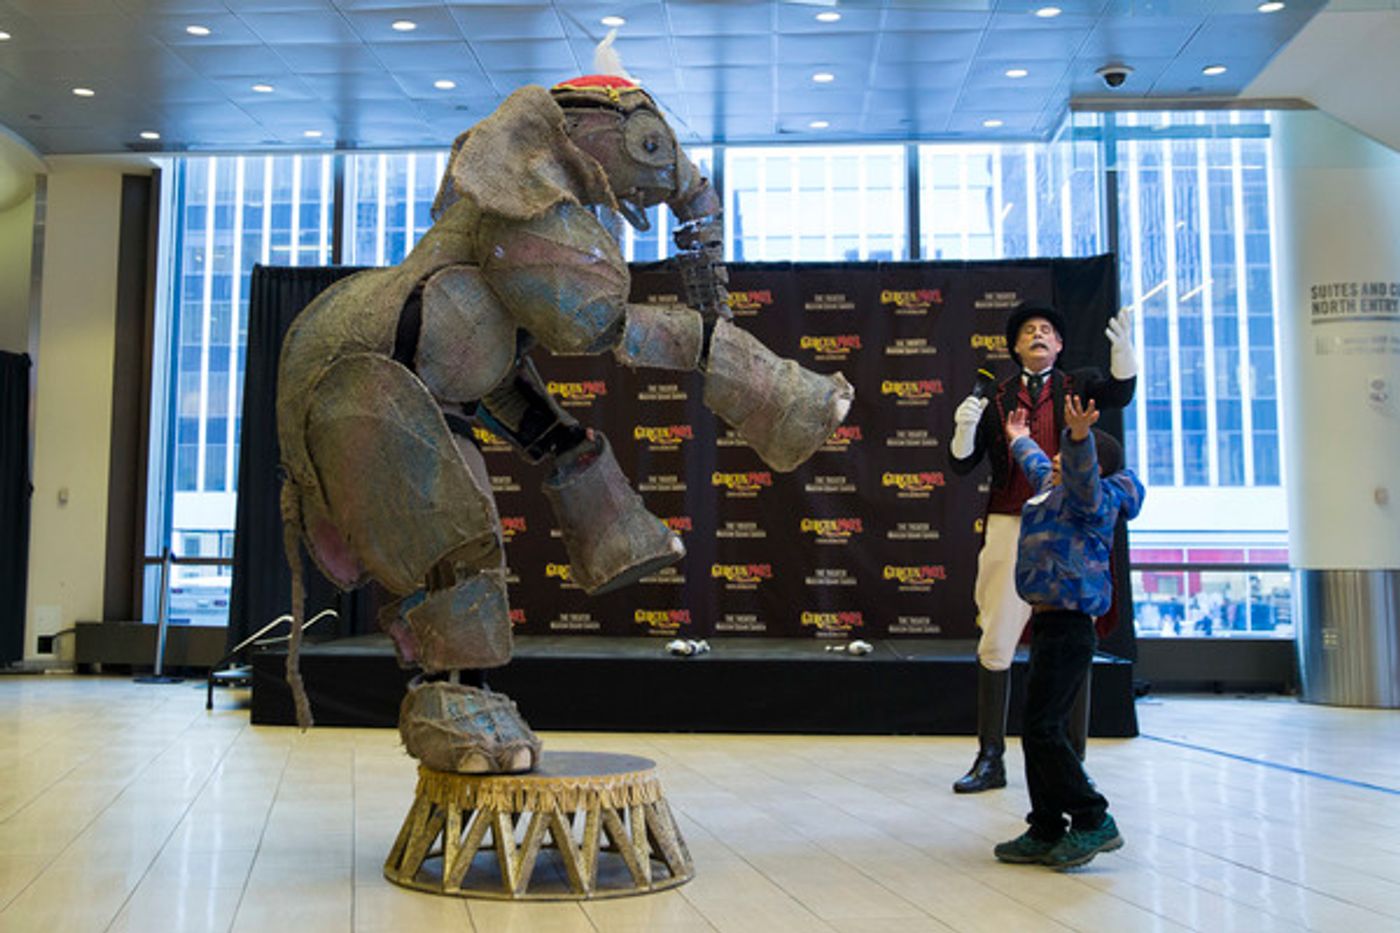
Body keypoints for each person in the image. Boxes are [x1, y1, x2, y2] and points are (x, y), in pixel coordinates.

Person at [948, 303, 1136, 793]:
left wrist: (1126, 355)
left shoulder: (1082, 385)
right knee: (996, 637)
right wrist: (963, 429)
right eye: (1028, 331)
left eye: (1047, 330)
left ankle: (1073, 760)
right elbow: (962, 466)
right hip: (1013, 522)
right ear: (1014, 347)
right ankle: (991, 758)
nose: (1038, 335)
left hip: (1070, 524)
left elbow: (1122, 392)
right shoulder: (996, 396)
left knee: (1073, 642)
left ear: (1060, 346)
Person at [993, 396, 1144, 870]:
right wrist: (1020, 441)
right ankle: (1045, 827)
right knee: (1036, 729)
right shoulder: (1052, 488)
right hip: (1048, 622)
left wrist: (1079, 439)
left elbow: (1079, 477)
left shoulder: (1092, 500)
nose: (1054, 464)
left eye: (1066, 459)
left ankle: (1092, 818)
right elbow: (1041, 468)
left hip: (1071, 624)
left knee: (1043, 729)